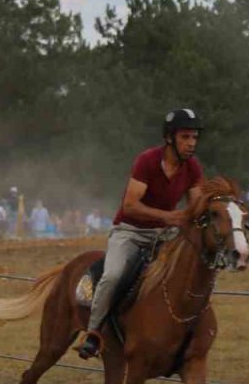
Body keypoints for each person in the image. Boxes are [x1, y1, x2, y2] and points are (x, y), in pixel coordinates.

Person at [78, 108, 206, 360]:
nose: (191, 143)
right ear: (169, 137)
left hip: (165, 235)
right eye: (185, 137)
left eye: (194, 138)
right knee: (113, 276)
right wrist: (169, 217)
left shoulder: (192, 167)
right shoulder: (147, 160)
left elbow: (196, 206)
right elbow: (130, 205)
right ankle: (93, 333)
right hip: (130, 231)